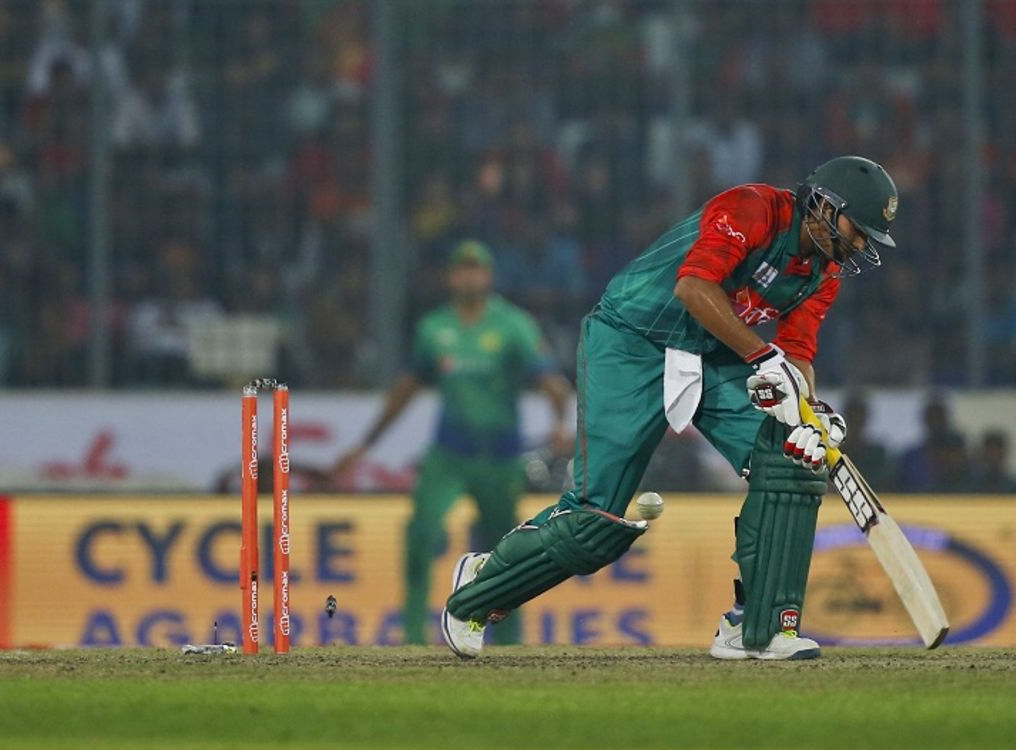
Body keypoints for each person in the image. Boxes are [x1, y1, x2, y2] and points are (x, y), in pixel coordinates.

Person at [441, 156, 899, 661]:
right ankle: (481, 591)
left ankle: (759, 627)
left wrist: (810, 413)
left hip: (711, 350)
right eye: (859, 230)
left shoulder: (824, 273)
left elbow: (799, 354)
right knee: (594, 518)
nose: (860, 245)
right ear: (826, 206)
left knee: (791, 455)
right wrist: (765, 359)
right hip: (631, 340)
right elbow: (693, 287)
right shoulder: (754, 208)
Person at [335, 241, 572, 646]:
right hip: (448, 456)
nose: (469, 276)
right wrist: (366, 444)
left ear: (489, 276)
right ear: (450, 277)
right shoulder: (434, 328)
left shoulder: (513, 324)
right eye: (461, 269)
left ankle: (509, 642)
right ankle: (412, 636)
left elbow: (551, 380)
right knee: (420, 535)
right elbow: (406, 389)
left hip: (500, 459)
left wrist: (559, 421)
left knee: (508, 554)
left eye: (476, 269)